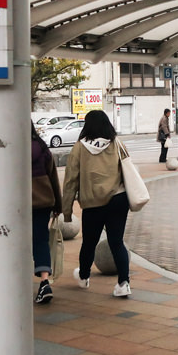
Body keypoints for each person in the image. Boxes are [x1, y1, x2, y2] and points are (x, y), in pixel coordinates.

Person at [62, 110, 132, 298]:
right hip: (118, 199)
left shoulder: (80, 147)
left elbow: (70, 180)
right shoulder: (116, 143)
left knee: (89, 243)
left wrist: (66, 211)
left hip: (93, 203)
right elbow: (129, 169)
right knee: (117, 242)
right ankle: (124, 283)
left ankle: (84, 277)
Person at [31, 122, 62, 304]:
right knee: (41, 240)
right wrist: (58, 204)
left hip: (18, 205)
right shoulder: (43, 148)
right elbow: (53, 178)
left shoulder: (11, 149)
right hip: (44, 202)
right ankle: (44, 282)